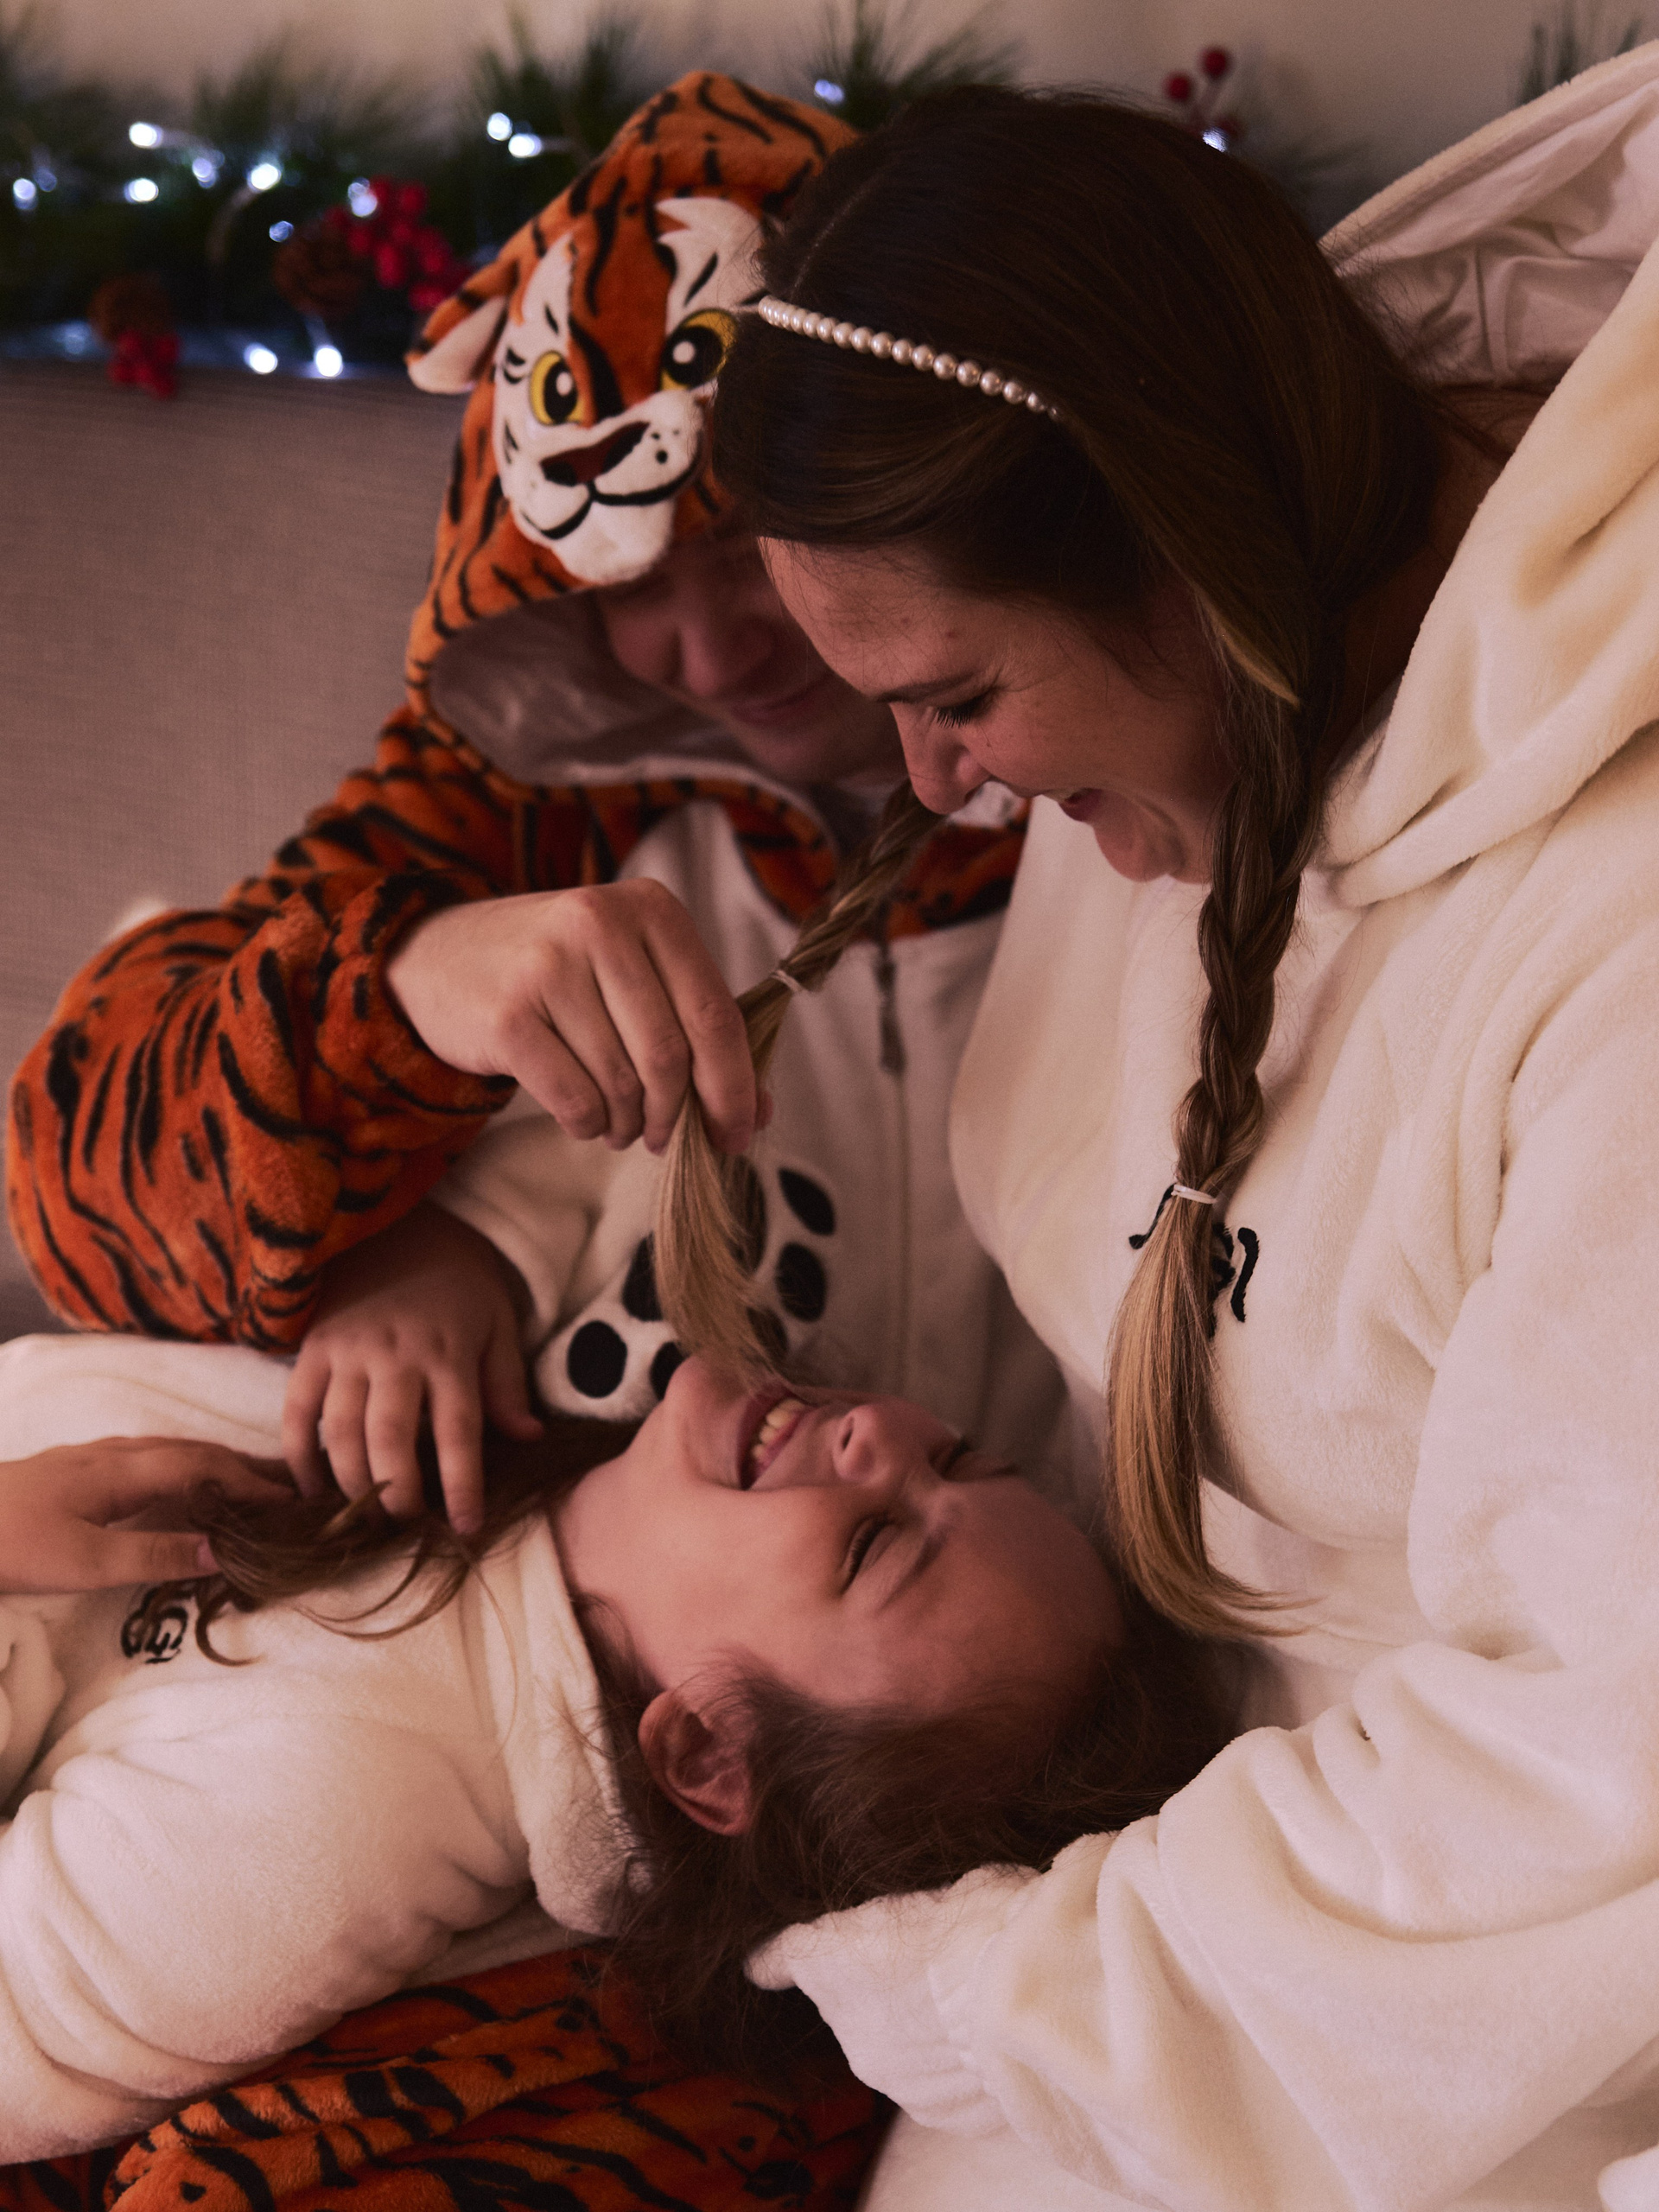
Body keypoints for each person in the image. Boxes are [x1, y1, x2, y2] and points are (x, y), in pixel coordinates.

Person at [664, 52, 1659, 2212]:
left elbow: (1620, 1753)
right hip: (1202, 1908)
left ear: (1181, 543)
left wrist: (1032, 1986)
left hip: (1503, 2011)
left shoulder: (1618, 925)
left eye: (957, 696)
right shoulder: (1183, 750)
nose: (936, 789)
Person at [3, 68, 1060, 1535]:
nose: (712, 659)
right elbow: (73, 1177)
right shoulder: (522, 791)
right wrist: (406, 998)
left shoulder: (1101, 771)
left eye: (750, 549)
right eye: (628, 581)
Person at [0, 1341, 1227, 2163]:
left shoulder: (337, 1811)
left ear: (704, 1752)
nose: (876, 1435)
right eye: (954, 1454)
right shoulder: (584, 1395)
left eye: (872, 1545)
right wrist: (442, 1262)